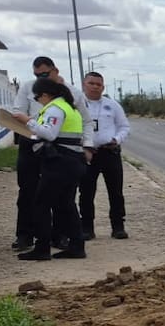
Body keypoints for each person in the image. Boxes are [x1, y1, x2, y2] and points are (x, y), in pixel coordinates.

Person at [9, 57, 92, 251]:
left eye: (44, 74)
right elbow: (17, 111)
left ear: (55, 70)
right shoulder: (27, 87)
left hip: (57, 149)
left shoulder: (71, 95)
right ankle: (25, 235)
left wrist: (88, 146)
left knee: (60, 196)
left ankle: (58, 236)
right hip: (31, 144)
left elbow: (86, 121)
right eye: (37, 75)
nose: (40, 78)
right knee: (28, 192)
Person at [78, 72, 131, 240]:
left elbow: (124, 126)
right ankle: (87, 227)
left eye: (98, 84)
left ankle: (118, 227)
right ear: (84, 84)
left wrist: (117, 139)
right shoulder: (77, 105)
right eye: (91, 83)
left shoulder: (112, 105)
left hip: (109, 152)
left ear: (103, 87)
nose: (95, 87)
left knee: (115, 192)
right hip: (87, 154)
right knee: (86, 192)